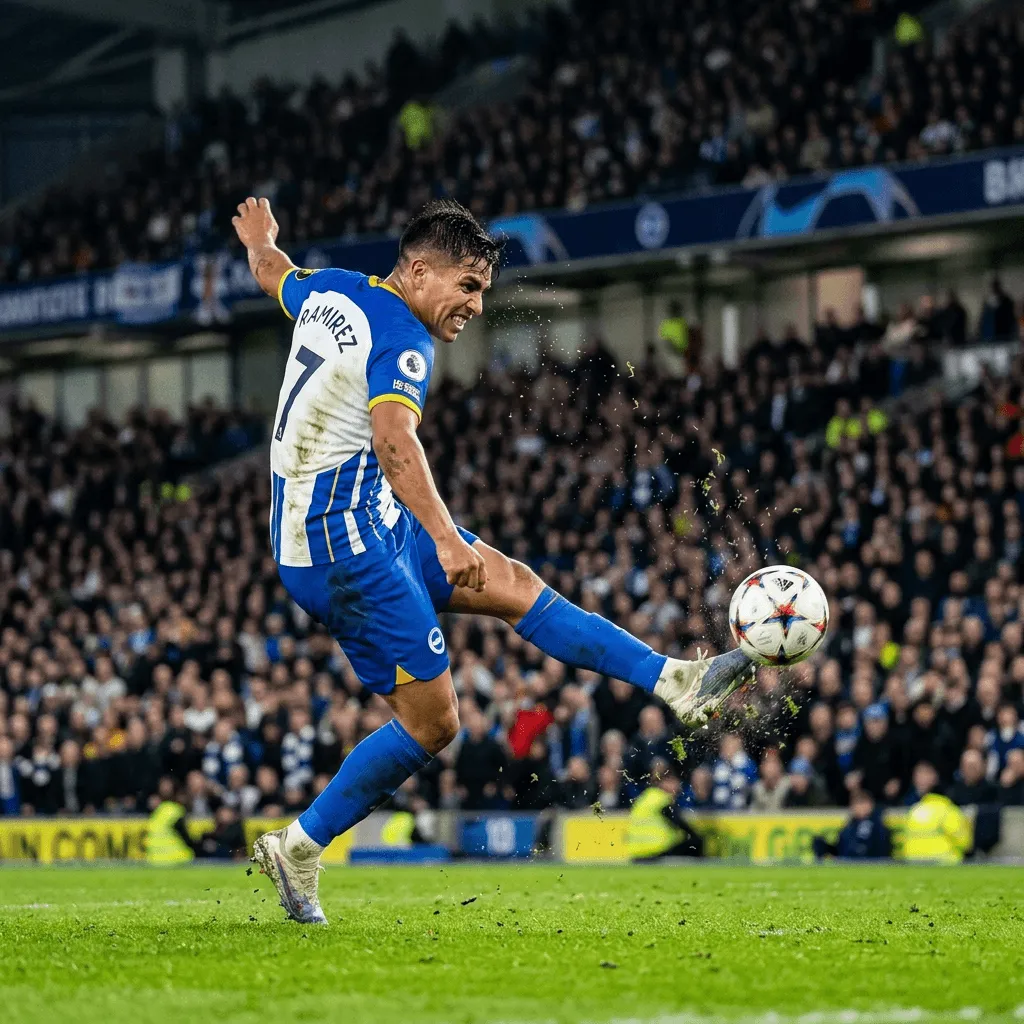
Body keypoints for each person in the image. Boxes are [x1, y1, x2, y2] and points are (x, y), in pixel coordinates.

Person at [232, 196, 754, 923]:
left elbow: (274, 274)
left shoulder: (329, 289)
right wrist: (447, 538)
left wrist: (261, 239)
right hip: (339, 549)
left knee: (516, 584)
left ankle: (674, 680)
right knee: (434, 725)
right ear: (419, 271)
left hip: (364, 518)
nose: (477, 306)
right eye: (468, 285)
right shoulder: (403, 338)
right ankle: (299, 847)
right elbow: (394, 442)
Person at [625, 762, 704, 861]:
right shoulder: (661, 799)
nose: (679, 787)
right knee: (695, 842)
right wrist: (697, 835)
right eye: (675, 782)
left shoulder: (645, 797)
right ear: (664, 782)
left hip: (636, 853)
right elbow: (679, 823)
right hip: (657, 852)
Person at [812, 790, 892, 860]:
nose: (859, 807)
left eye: (862, 803)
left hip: (865, 865)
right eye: (856, 804)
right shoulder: (850, 825)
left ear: (870, 805)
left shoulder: (875, 825)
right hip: (847, 864)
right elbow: (841, 850)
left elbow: (877, 850)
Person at [903, 784, 972, 864]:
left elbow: (902, 835)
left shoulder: (914, 809)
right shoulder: (948, 810)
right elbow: (962, 840)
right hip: (942, 859)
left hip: (912, 859)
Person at [145, 777, 197, 866]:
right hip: (177, 858)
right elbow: (185, 837)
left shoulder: (159, 810)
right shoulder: (175, 810)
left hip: (155, 860)